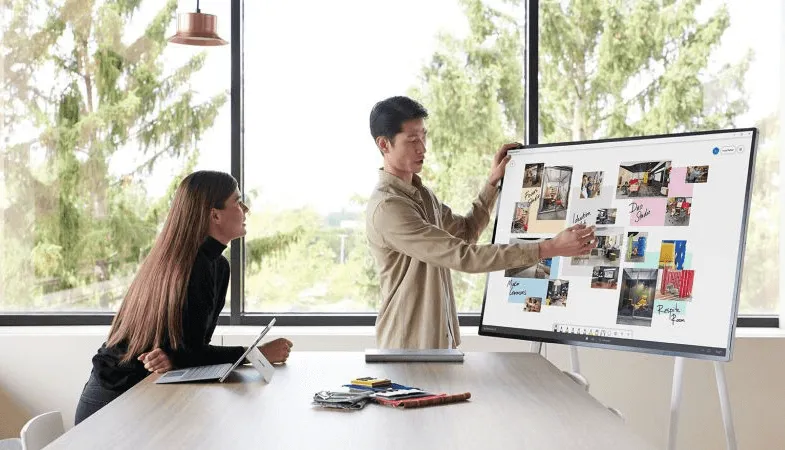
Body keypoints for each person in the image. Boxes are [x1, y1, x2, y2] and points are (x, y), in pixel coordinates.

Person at [365, 96, 596, 349]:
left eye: (424, 136)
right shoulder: (389, 208)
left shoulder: (422, 194)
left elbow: (465, 233)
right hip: (407, 348)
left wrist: (492, 183)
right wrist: (549, 248)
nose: (423, 148)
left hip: (438, 345)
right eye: (412, 140)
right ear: (384, 144)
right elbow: (463, 255)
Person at [75, 171, 293, 425]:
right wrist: (255, 354)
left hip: (148, 391)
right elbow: (189, 351)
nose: (246, 209)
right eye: (237, 201)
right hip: (114, 398)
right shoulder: (188, 265)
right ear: (215, 214)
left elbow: (189, 346)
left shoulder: (217, 266)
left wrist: (176, 357)